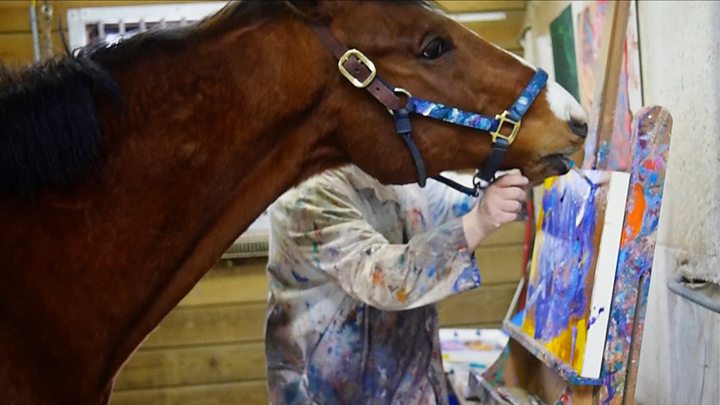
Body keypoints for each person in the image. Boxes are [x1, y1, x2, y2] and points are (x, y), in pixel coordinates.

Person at [264, 164, 528, 405]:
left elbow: (455, 201)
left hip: (411, 388)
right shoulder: (306, 193)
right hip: (330, 394)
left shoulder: (393, 171)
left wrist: (512, 186)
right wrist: (479, 221)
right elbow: (384, 279)